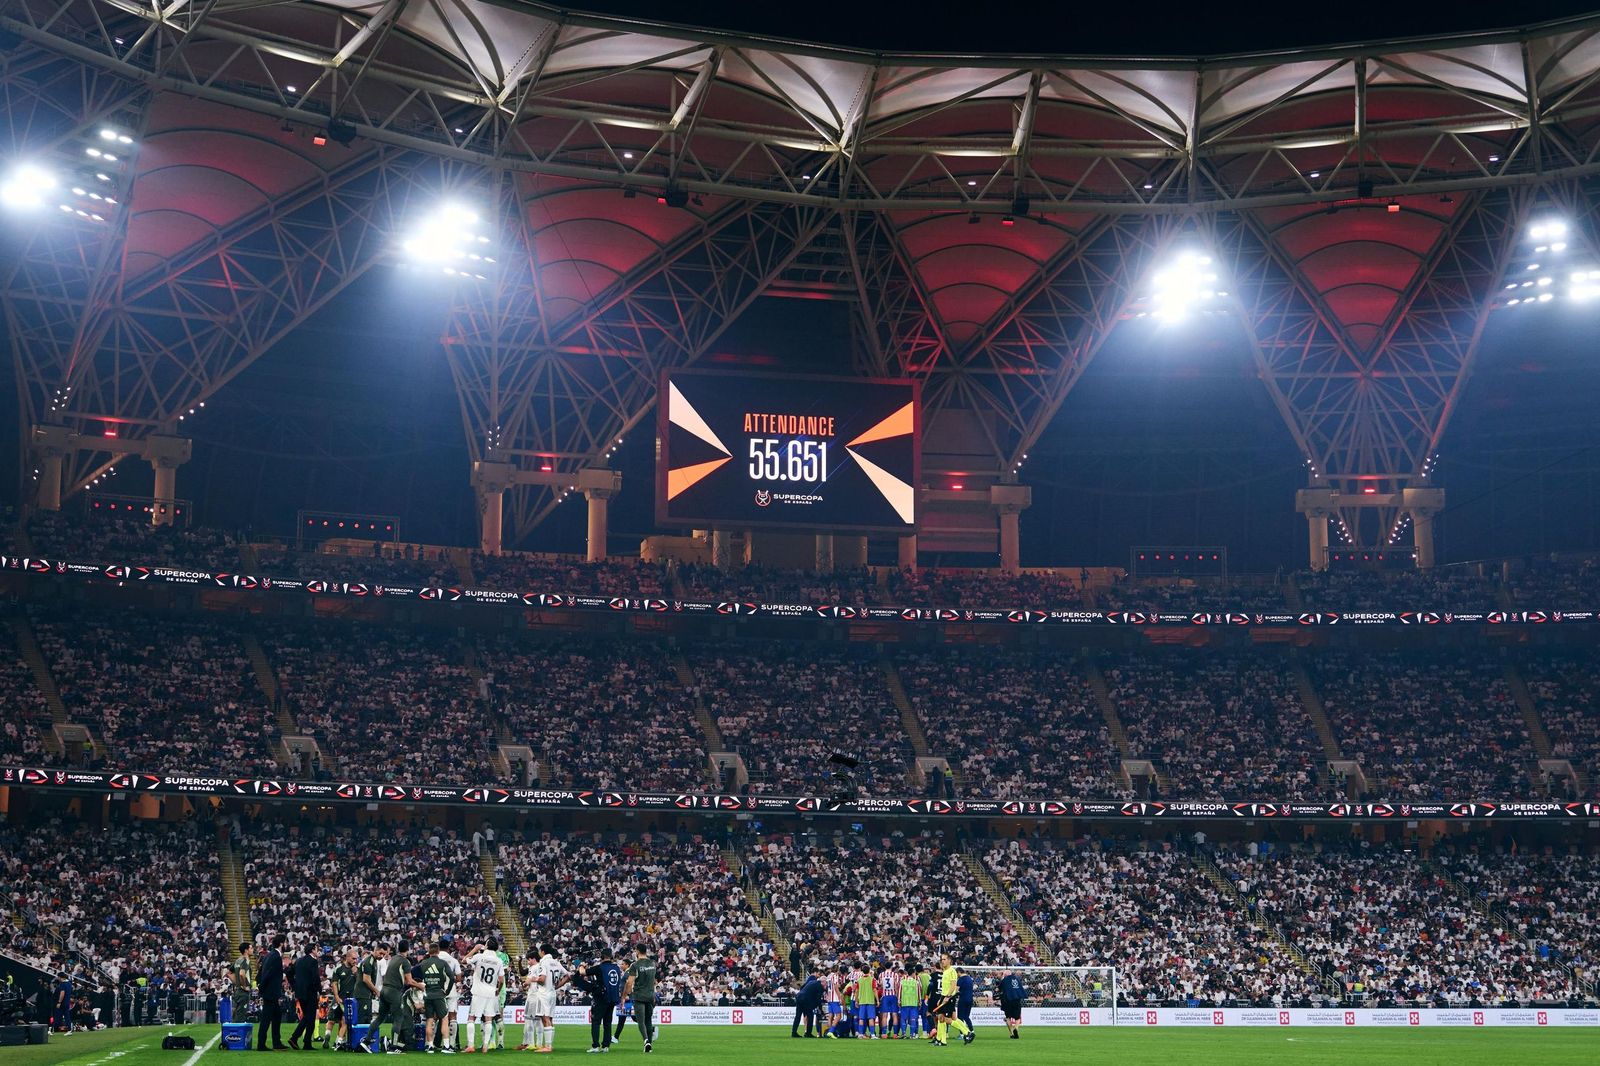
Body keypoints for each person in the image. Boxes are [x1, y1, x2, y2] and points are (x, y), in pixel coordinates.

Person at [364, 941, 422, 1055]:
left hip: (384, 990)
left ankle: (366, 1041)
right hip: (394, 992)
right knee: (398, 1019)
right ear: (408, 949)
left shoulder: (393, 958)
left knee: (380, 1018)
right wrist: (421, 986)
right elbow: (409, 981)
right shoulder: (405, 961)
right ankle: (393, 1047)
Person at [462, 937, 506, 1053]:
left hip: (478, 992)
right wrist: (498, 990)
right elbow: (501, 980)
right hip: (491, 993)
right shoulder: (499, 961)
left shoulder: (479, 957)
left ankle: (470, 1045)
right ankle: (485, 1047)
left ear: (486, 946)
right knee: (488, 1020)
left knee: (471, 1018)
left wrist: (475, 949)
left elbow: (464, 960)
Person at [417, 941, 455, 1054]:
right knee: (444, 1019)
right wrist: (447, 991)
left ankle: (429, 1046)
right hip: (439, 994)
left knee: (429, 1020)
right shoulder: (442, 963)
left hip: (427, 995)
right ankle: (446, 1046)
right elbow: (452, 978)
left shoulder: (423, 963)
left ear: (429, 951)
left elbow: (418, 979)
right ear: (438, 951)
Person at [622, 943, 658, 1052]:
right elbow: (654, 981)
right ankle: (650, 1045)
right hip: (650, 995)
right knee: (648, 1020)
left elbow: (629, 983)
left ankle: (646, 1041)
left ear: (637, 951)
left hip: (639, 996)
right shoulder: (652, 963)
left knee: (640, 1021)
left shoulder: (635, 965)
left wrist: (625, 995)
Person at [931, 954, 971, 1047]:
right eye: (942, 959)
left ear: (949, 960)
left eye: (944, 959)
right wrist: (941, 999)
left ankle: (966, 1032)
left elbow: (953, 985)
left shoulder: (952, 971)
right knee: (941, 1017)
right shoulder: (945, 971)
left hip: (949, 998)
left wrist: (948, 997)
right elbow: (945, 986)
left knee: (947, 1019)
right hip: (944, 996)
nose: (942, 961)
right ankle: (941, 1040)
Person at [256, 936, 288, 1051]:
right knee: (266, 1019)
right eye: (285, 942)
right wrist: (262, 989)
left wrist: (260, 986)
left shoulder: (269, 955)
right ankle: (261, 1044)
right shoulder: (275, 957)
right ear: (281, 943)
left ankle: (276, 1042)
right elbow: (267, 974)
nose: (286, 944)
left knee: (277, 1016)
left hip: (270, 992)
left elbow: (260, 972)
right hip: (271, 992)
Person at [289, 944, 321, 1049]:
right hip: (310, 992)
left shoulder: (299, 961)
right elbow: (315, 977)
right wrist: (319, 990)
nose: (318, 951)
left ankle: (307, 1043)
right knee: (309, 1017)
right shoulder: (313, 961)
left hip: (300, 993)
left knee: (309, 1017)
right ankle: (295, 1037)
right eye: (317, 949)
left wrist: (295, 986)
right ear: (312, 950)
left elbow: (289, 973)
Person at [330, 948, 360, 1051]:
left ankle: (338, 1042)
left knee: (345, 1021)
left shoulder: (357, 969)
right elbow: (334, 983)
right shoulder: (338, 969)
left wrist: (356, 973)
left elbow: (361, 983)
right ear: (347, 957)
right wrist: (337, 997)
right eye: (353, 959)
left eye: (356, 959)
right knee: (340, 1021)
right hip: (341, 999)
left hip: (351, 1000)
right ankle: (338, 1041)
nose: (355, 961)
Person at [791, 970, 822, 1039]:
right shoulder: (815, 981)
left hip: (799, 997)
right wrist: (819, 1007)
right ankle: (808, 1033)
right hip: (805, 1000)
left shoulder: (810, 981)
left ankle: (794, 1032)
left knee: (798, 1016)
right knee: (810, 1016)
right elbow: (818, 998)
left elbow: (803, 987)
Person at [228, 941, 254, 1025]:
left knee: (236, 1014)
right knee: (241, 1016)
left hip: (237, 991)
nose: (252, 950)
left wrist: (237, 984)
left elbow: (228, 972)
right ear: (246, 950)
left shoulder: (238, 960)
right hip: (243, 992)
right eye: (251, 948)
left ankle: (232, 1035)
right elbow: (242, 973)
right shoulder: (245, 961)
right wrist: (244, 986)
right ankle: (237, 1036)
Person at [996, 968, 1025, 1039]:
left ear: (1005, 975)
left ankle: (1012, 1033)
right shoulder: (1017, 980)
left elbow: (998, 989)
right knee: (1017, 1018)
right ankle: (1016, 1028)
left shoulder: (1004, 980)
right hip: (1016, 1000)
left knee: (1008, 1018)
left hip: (1007, 1001)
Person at [898, 964, 922, 1040]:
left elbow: (899, 992)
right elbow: (919, 992)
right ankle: (912, 1034)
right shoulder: (916, 982)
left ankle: (904, 1033)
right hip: (913, 1003)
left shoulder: (902, 981)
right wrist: (919, 1001)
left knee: (903, 1019)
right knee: (913, 1019)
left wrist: (899, 1000)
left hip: (904, 1002)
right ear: (913, 973)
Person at [877, 964, 900, 1039]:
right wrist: (897, 997)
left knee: (884, 1015)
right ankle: (895, 1034)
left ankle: (884, 1033)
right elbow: (897, 986)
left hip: (885, 996)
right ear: (891, 967)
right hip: (893, 995)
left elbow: (880, 985)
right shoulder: (895, 975)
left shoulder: (881, 974)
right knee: (894, 1015)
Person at [955, 967, 975, 1040]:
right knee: (966, 1016)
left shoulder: (960, 979)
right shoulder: (969, 979)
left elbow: (956, 991)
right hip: (970, 999)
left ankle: (962, 1034)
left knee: (960, 1018)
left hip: (963, 999)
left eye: (956, 973)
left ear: (959, 972)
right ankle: (972, 1031)